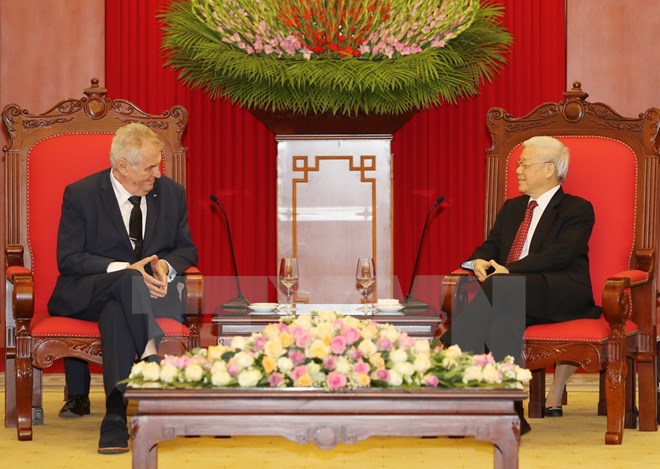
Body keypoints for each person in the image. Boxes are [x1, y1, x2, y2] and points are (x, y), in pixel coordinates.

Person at [48, 123, 198, 454]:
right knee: (128, 281)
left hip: (146, 298)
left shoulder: (171, 193)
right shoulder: (81, 195)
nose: (156, 174)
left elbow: (187, 250)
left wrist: (164, 266)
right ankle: (150, 356)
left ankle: (115, 416)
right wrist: (127, 271)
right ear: (122, 166)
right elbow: (69, 259)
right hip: (87, 293)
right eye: (149, 167)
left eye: (157, 165)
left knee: (118, 309)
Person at [447, 136, 601, 433]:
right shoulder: (513, 207)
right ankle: (512, 414)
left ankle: (447, 355)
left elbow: (560, 255)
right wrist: (477, 261)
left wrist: (508, 270)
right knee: (503, 322)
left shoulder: (577, 209)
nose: (517, 169)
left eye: (524, 163)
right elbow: (490, 245)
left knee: (503, 288)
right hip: (512, 295)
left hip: (558, 292)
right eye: (518, 163)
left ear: (548, 169)